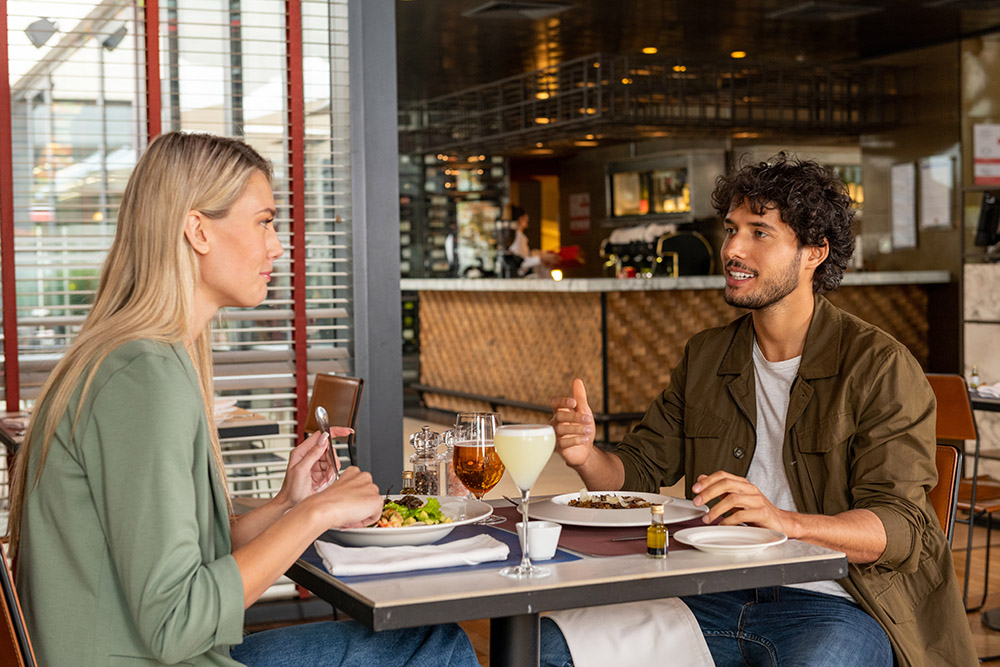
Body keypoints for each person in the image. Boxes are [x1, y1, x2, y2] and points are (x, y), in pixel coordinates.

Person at [7, 132, 479, 667]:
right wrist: (317, 514)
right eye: (264, 221)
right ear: (198, 230)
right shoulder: (143, 377)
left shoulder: (138, 359)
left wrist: (288, 505)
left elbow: (181, 560)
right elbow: (175, 622)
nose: (277, 245)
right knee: (433, 644)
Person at [543, 154, 977, 667]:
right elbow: (635, 471)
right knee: (550, 646)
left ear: (815, 251)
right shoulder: (706, 355)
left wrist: (781, 521)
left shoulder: (879, 366)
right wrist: (586, 455)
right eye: (730, 229)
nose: (733, 249)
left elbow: (898, 526)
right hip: (709, 591)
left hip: (837, 603)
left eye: (759, 232)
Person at [506, 204, 558, 276]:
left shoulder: (515, 236)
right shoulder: (518, 237)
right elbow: (520, 263)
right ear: (521, 218)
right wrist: (541, 258)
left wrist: (536, 254)